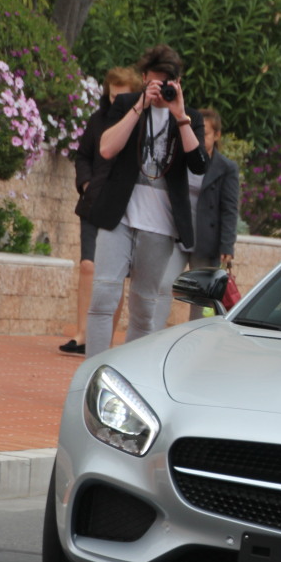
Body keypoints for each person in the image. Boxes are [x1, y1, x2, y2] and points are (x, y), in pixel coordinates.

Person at [84, 45, 208, 358]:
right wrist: (139, 106)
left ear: (178, 84)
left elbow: (199, 164)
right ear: (143, 79)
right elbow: (107, 149)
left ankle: (128, 379)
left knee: (143, 308)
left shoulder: (189, 116)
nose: (160, 89)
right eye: (155, 82)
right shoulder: (127, 104)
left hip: (160, 227)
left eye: (168, 83)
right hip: (119, 218)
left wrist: (179, 117)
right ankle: (91, 373)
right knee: (102, 297)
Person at [60, 66, 144, 355]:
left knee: (113, 274)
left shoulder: (141, 124)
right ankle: (83, 333)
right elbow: (83, 155)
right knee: (88, 266)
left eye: (122, 94)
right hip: (93, 201)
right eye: (112, 93)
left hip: (121, 207)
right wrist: (84, 183)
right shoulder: (97, 120)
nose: (115, 99)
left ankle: (103, 339)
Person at [184, 107, 240, 319]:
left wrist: (227, 245)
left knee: (199, 299)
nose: (199, 138)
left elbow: (229, 208)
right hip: (178, 236)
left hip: (206, 243)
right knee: (162, 285)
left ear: (217, 135)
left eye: (205, 133)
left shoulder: (227, 168)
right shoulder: (182, 160)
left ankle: (193, 343)